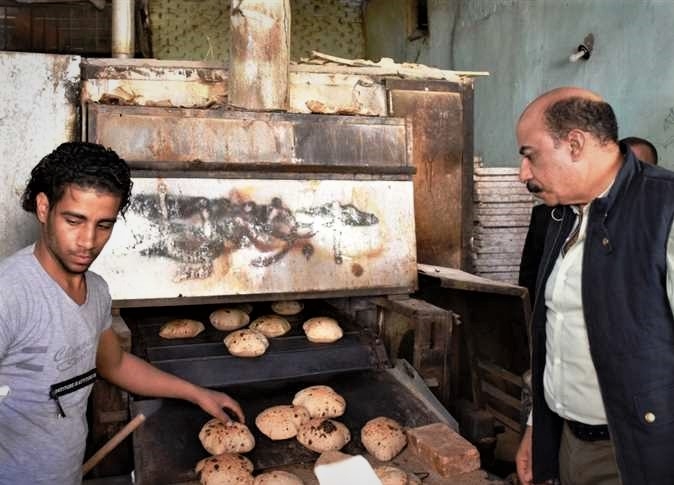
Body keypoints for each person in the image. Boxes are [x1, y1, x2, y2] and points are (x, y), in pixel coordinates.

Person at [0, 142, 245, 485]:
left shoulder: (96, 290)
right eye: (74, 220)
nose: (88, 241)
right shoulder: (10, 293)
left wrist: (198, 393)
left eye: (104, 225)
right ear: (43, 208)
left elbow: (114, 364)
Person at [514, 87, 674, 485]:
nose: (523, 174)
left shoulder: (664, 211)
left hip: (634, 455)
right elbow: (558, 331)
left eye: (530, 155)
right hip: (569, 440)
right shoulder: (561, 216)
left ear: (574, 144)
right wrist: (538, 426)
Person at [518, 136, 659, 304]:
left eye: (639, 168)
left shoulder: (659, 222)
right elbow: (529, 280)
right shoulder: (553, 215)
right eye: (625, 167)